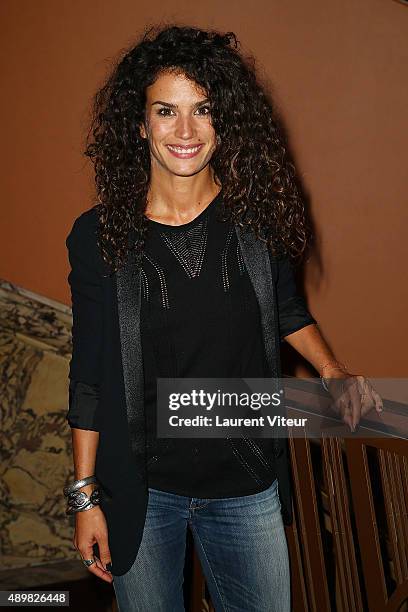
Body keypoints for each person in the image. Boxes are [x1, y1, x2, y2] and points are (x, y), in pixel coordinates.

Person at [63, 25, 384, 611]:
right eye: (166, 111)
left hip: (246, 484)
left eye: (203, 110)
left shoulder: (257, 219)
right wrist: (86, 496)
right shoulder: (98, 237)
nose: (185, 131)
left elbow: (287, 310)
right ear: (140, 124)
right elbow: (89, 374)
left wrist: (333, 369)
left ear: (225, 121)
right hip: (142, 491)